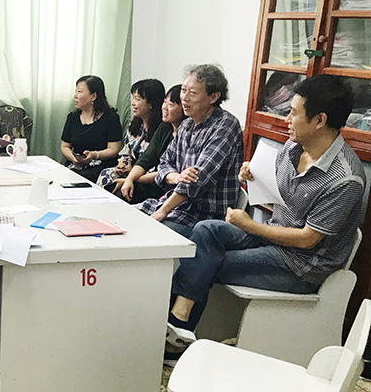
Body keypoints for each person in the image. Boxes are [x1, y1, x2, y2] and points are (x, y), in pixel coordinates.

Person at [163, 75, 365, 365]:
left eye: (293, 113)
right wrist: (251, 177)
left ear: (320, 120)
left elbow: (308, 239)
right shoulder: (293, 147)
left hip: (300, 266)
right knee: (205, 231)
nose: (286, 120)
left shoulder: (345, 178)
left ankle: (175, 334)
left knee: (206, 261)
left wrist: (248, 225)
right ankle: (180, 324)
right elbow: (279, 198)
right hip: (273, 234)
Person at [138, 64, 243, 237]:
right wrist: (176, 176)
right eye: (183, 90)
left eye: (192, 93)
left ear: (213, 97)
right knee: (123, 219)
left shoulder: (226, 125)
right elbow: (164, 163)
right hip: (174, 206)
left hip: (201, 217)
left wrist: (163, 210)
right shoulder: (186, 124)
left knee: (146, 234)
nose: (184, 98)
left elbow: (197, 180)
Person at [120, 84, 188, 204]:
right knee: (118, 189)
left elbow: (171, 172)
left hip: (164, 189)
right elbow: (146, 159)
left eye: (171, 104)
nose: (165, 108)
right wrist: (129, 179)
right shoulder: (164, 128)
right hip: (148, 183)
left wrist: (134, 179)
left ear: (184, 109)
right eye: (164, 102)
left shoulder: (187, 134)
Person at [97, 79, 165, 190]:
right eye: (133, 98)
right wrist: (123, 164)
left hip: (146, 176)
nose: (133, 103)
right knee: (107, 174)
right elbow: (125, 151)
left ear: (151, 104)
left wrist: (132, 172)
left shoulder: (161, 130)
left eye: (137, 99)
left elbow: (155, 164)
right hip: (130, 171)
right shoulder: (135, 125)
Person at [60, 75, 122, 182]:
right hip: (75, 165)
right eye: (75, 91)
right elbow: (65, 146)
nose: (75, 96)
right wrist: (73, 158)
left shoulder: (110, 118)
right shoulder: (73, 117)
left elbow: (113, 150)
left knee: (80, 180)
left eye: (79, 91)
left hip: (100, 167)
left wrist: (94, 155)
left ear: (93, 96)